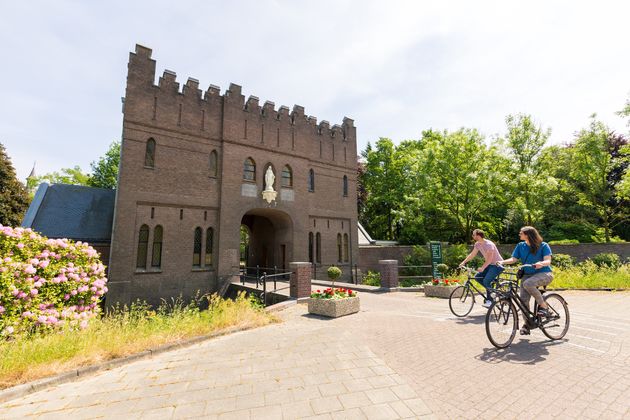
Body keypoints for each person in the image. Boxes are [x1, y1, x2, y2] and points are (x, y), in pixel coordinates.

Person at [498, 226, 553, 335]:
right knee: (523, 301)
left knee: (528, 283)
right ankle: (528, 324)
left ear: (528, 235)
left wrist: (541, 263)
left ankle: (544, 307)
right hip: (527, 275)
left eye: (521, 233)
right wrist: (502, 262)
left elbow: (548, 261)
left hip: (544, 273)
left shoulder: (543, 245)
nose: (519, 235)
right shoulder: (520, 246)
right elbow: (513, 259)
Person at [459, 229, 504, 308]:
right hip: (489, 265)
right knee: (477, 277)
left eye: (473, 235)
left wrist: (483, 267)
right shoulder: (477, 244)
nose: (472, 236)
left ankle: (490, 300)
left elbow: (490, 259)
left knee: (486, 281)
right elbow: (472, 254)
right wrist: (464, 262)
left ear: (478, 236)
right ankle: (492, 290)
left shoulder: (489, 244)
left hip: (497, 265)